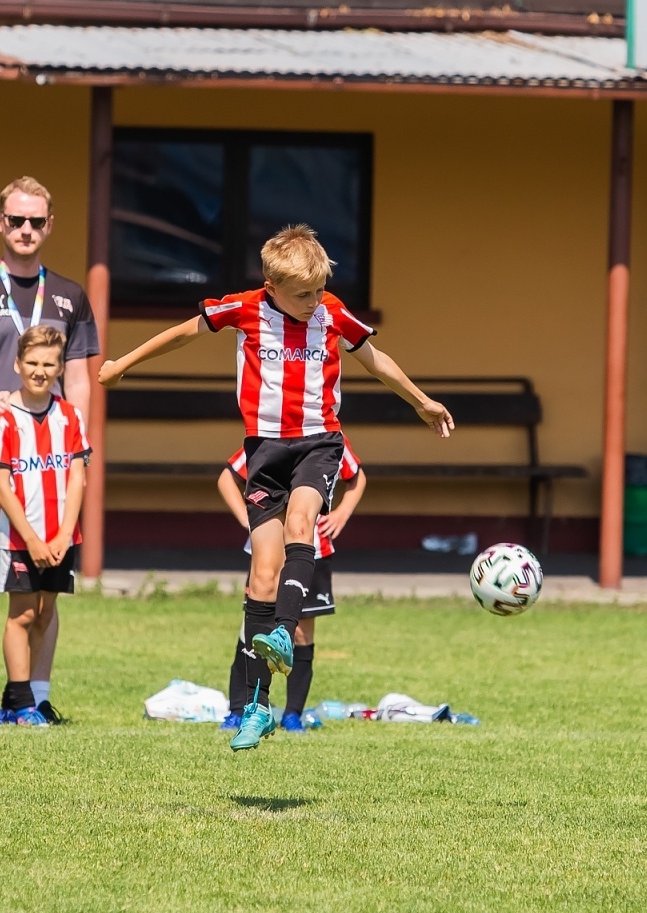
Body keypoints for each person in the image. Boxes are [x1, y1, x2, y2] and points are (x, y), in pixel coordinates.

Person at [99, 224, 454, 752]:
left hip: (318, 443)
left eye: (317, 291)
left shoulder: (331, 312)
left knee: (301, 522)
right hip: (264, 452)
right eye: (303, 294)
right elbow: (181, 333)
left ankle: (285, 631)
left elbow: (375, 360)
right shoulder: (244, 309)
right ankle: (256, 707)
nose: (314, 302)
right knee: (262, 575)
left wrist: (421, 400)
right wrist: (121, 365)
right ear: (271, 284)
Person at [0, 176, 99, 721]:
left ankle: (38, 696)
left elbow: (78, 378)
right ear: (0, 222)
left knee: (45, 583)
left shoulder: (70, 296)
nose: (26, 230)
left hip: (48, 461)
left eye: (36, 221)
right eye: (16, 220)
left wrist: (76, 442)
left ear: (49, 225)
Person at [0, 326, 91, 726]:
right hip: (19, 539)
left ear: (60, 368)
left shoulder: (70, 416)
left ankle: (38, 699)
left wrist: (64, 533)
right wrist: (31, 538)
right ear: (17, 364)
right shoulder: (4, 419)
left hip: (60, 537)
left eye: (49, 363)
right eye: (32, 362)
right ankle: (20, 701)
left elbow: (77, 477)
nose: (40, 371)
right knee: (22, 614)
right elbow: (0, 484)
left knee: (46, 612)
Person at [217, 446, 366, 732]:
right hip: (267, 551)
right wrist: (247, 520)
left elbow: (357, 476)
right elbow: (227, 476)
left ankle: (293, 713)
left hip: (312, 551)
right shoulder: (269, 432)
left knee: (301, 631)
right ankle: (240, 709)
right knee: (252, 628)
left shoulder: (328, 437)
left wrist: (342, 512)